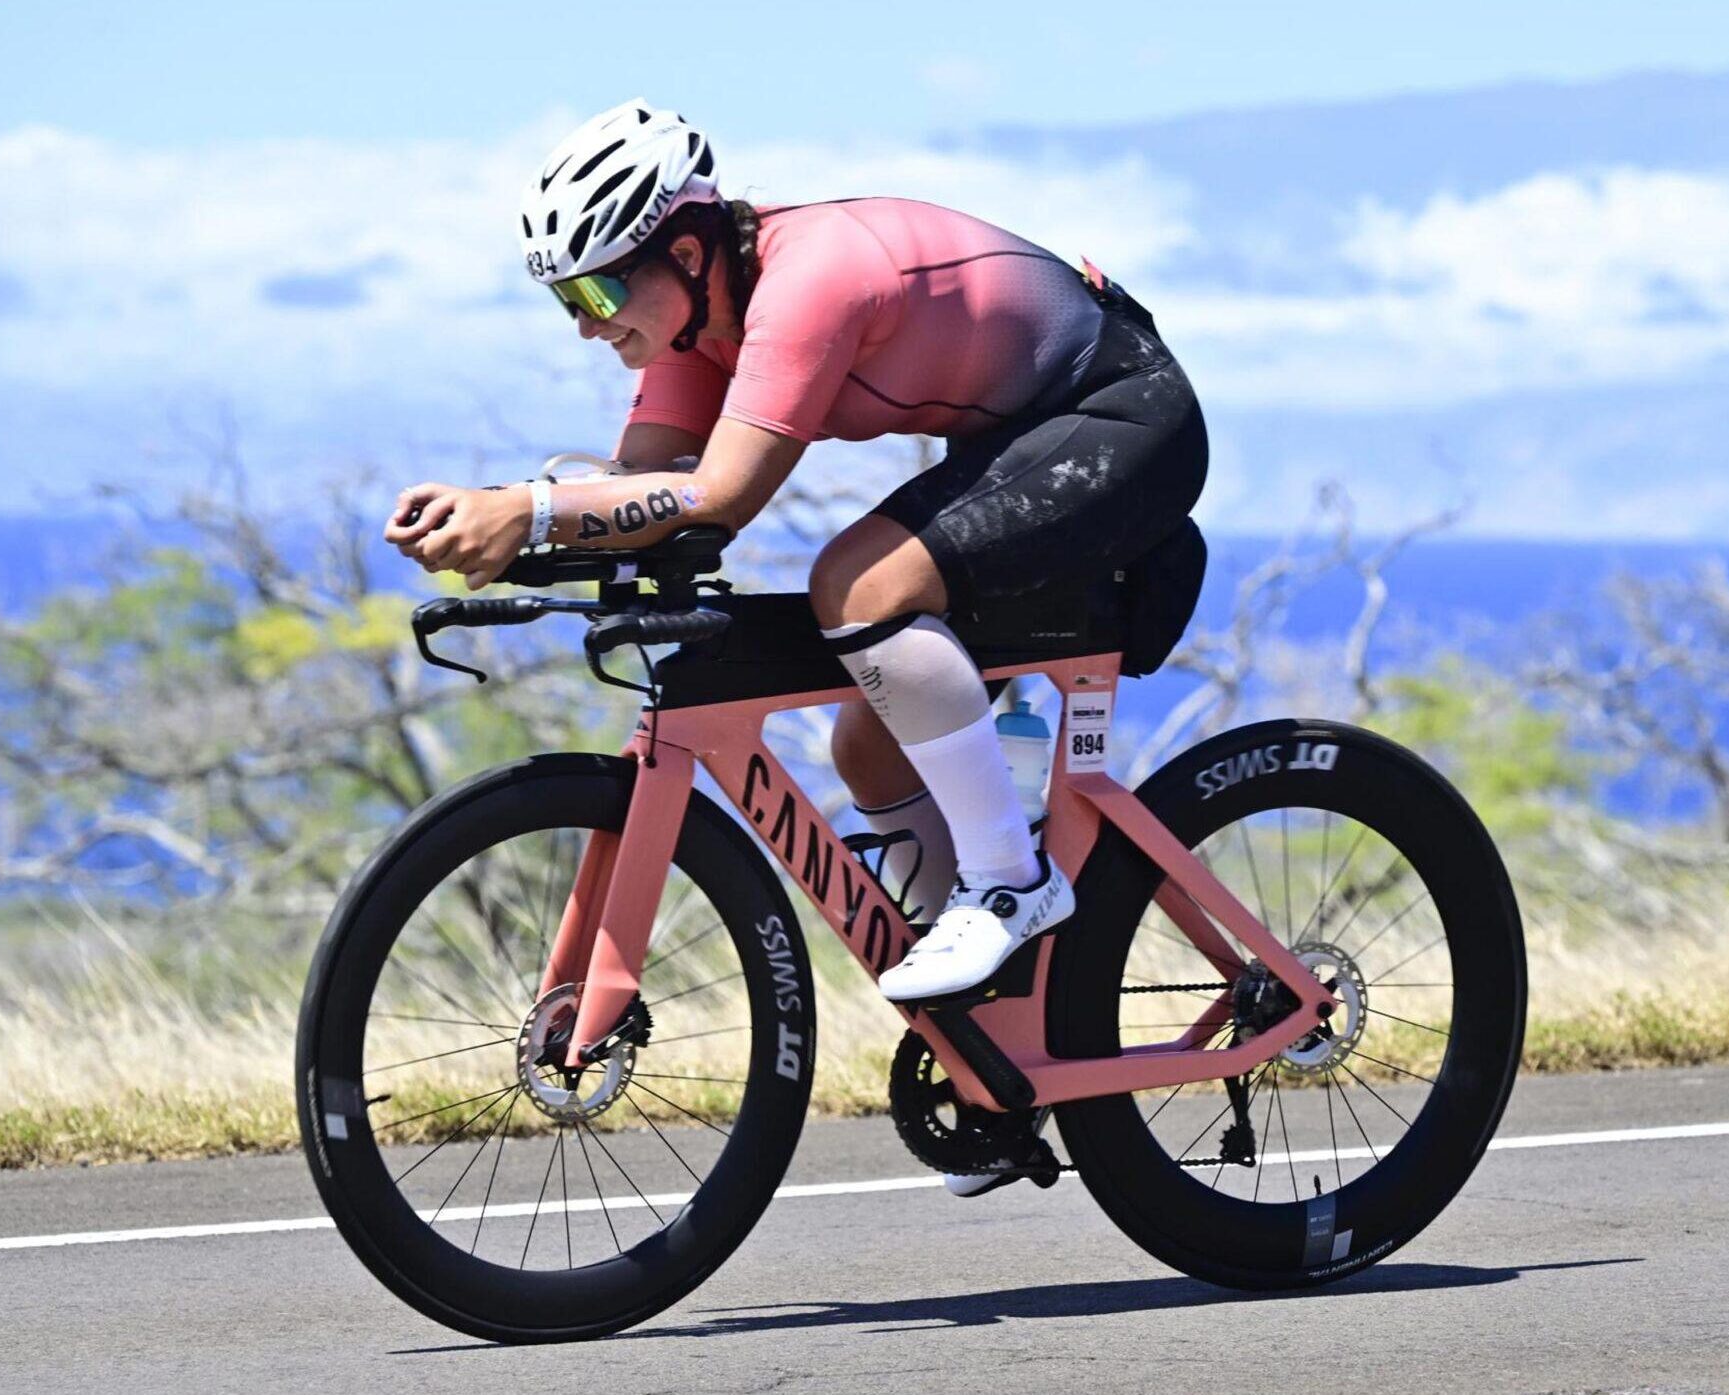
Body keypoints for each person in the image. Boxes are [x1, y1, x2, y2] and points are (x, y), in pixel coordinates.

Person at [383, 100, 1208, 1185]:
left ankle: (1009, 882)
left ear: (685, 254)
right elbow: (645, 493)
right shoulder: (692, 329)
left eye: (599, 293)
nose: (586, 326)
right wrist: (502, 519)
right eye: (565, 300)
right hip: (1020, 439)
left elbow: (721, 495)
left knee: (856, 583)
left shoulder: (813, 279)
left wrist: (529, 513)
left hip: (1121, 414)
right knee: (870, 748)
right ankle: (993, 1033)